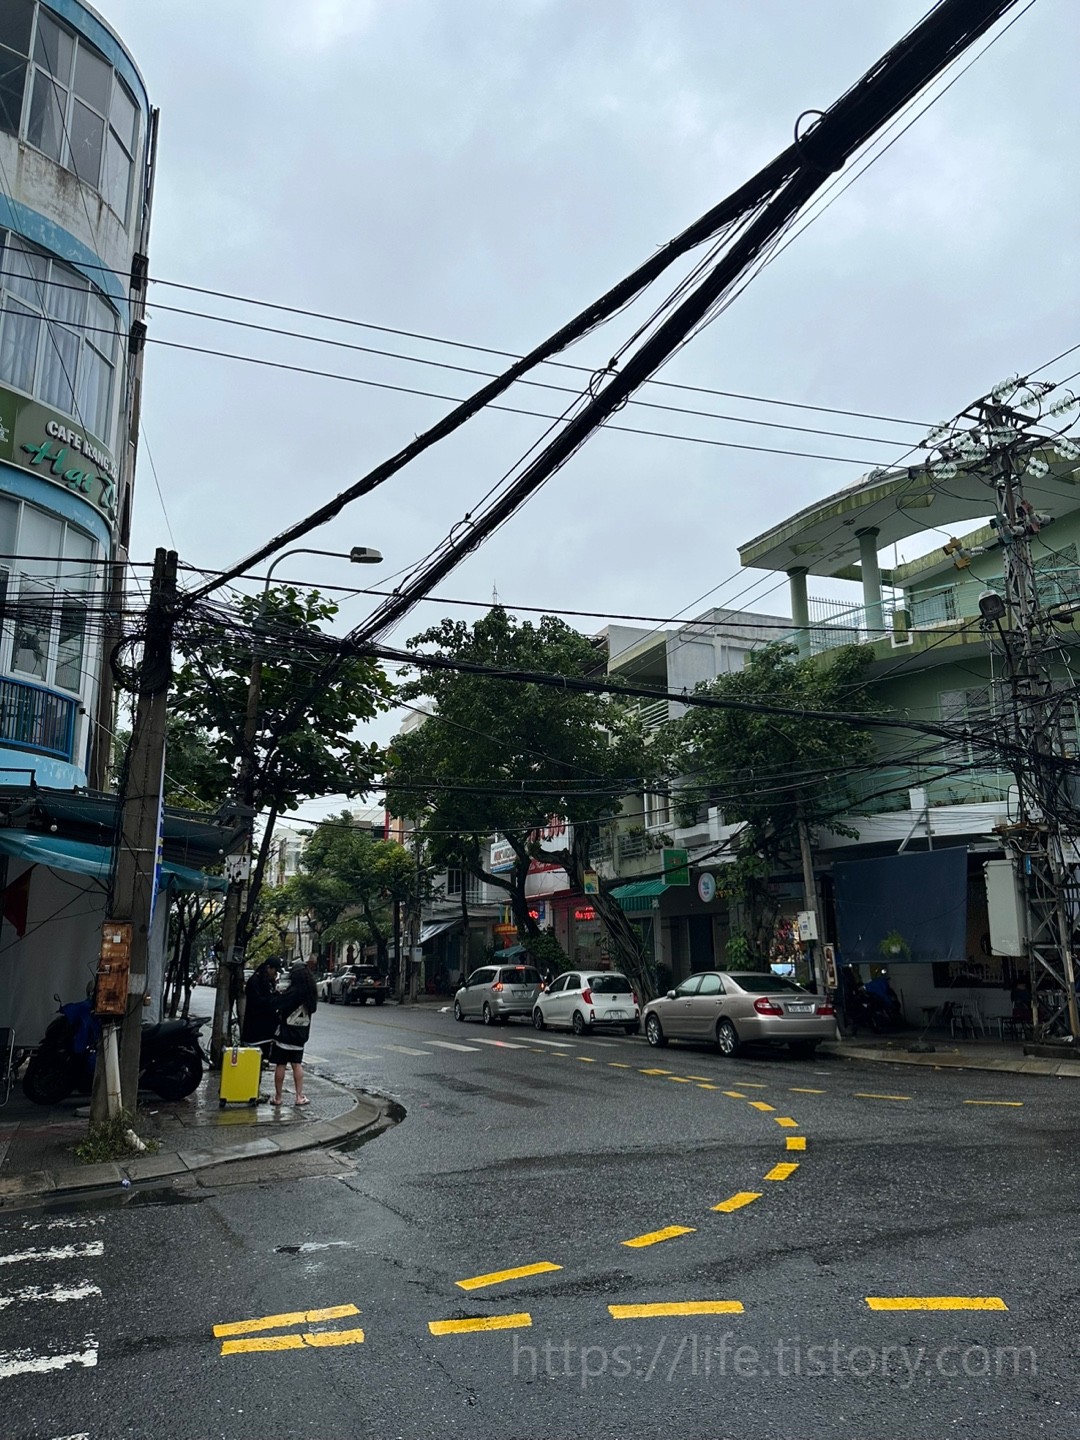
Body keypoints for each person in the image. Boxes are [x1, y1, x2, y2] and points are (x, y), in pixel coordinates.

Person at [269, 962, 318, 1107]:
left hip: (285, 1034)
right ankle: (299, 1096)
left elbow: (277, 1004)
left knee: (281, 1065)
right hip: (300, 1035)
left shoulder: (293, 992)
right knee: (297, 1064)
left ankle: (278, 1097)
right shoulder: (310, 994)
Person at [241, 959, 281, 1060]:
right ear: (268, 968)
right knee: (254, 1060)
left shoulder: (269, 982)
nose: (275, 974)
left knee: (264, 1058)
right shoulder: (255, 981)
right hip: (256, 1029)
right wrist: (273, 999)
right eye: (275, 971)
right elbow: (257, 1001)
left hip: (267, 1030)